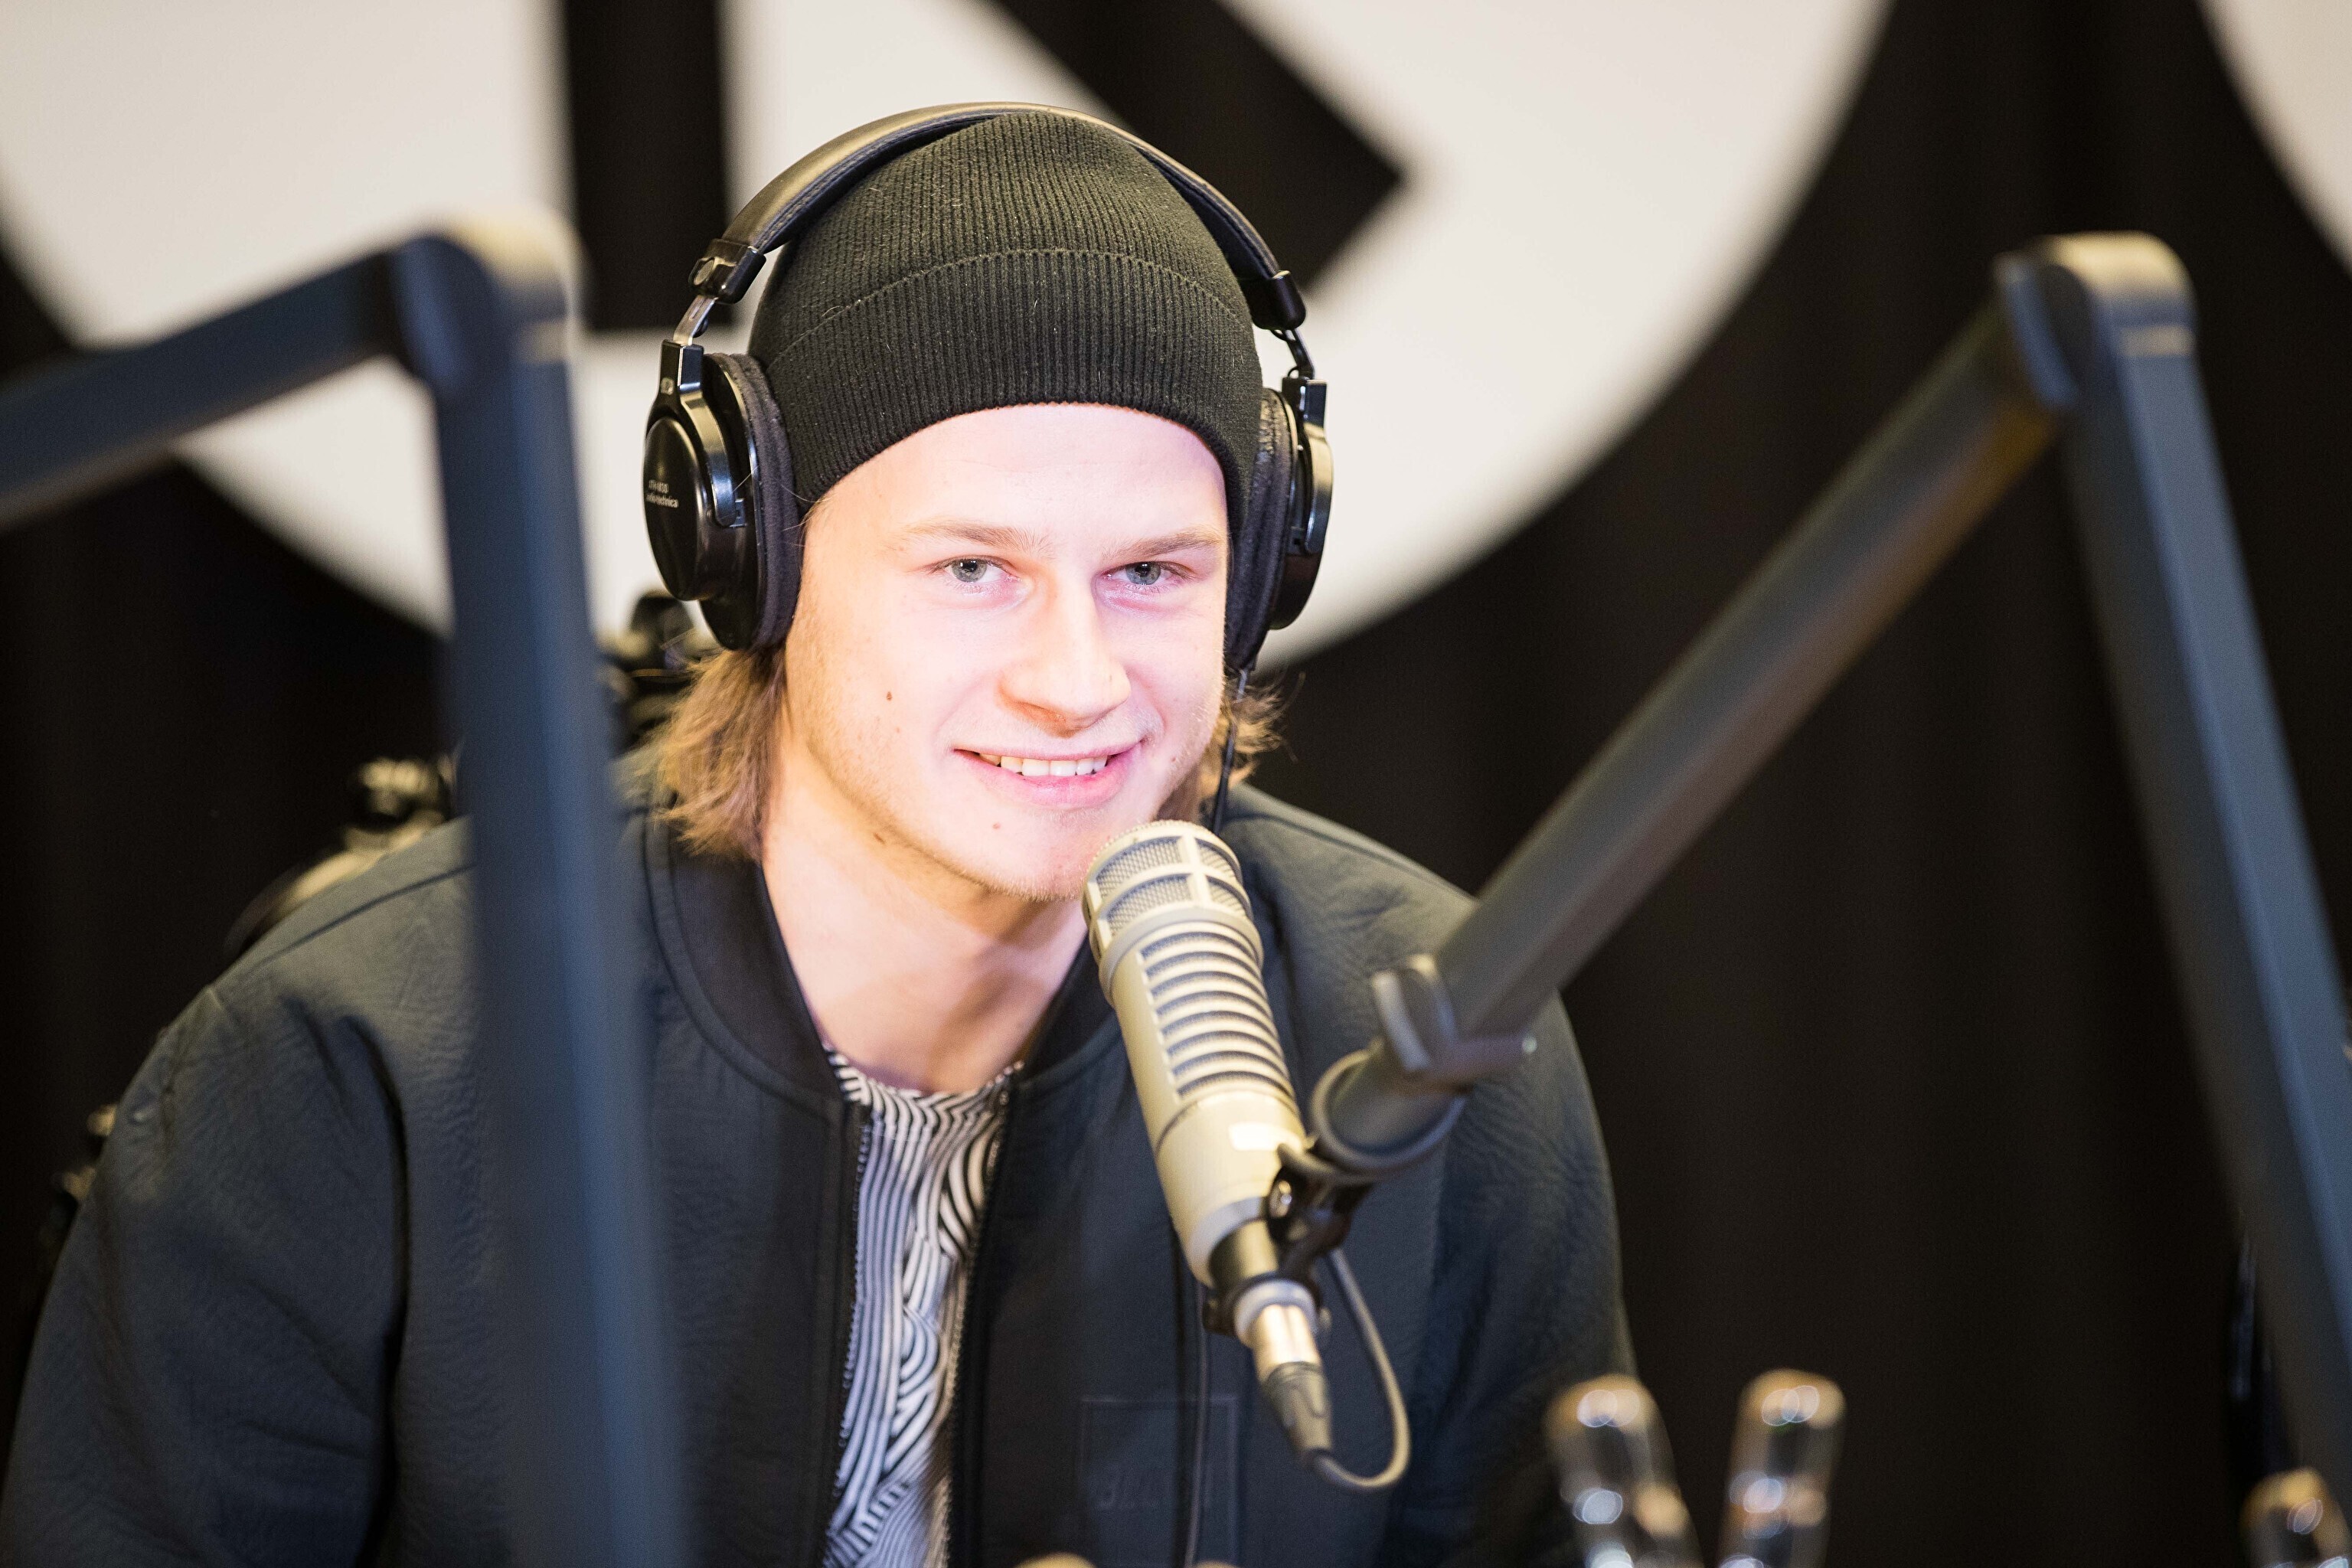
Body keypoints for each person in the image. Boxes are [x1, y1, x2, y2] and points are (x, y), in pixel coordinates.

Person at [2, 110, 1627, 1567]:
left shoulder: (1427, 1038)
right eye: (971, 569)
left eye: (1153, 573)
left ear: (1260, 578)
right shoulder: (354, 1056)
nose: (1076, 680)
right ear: (758, 567)